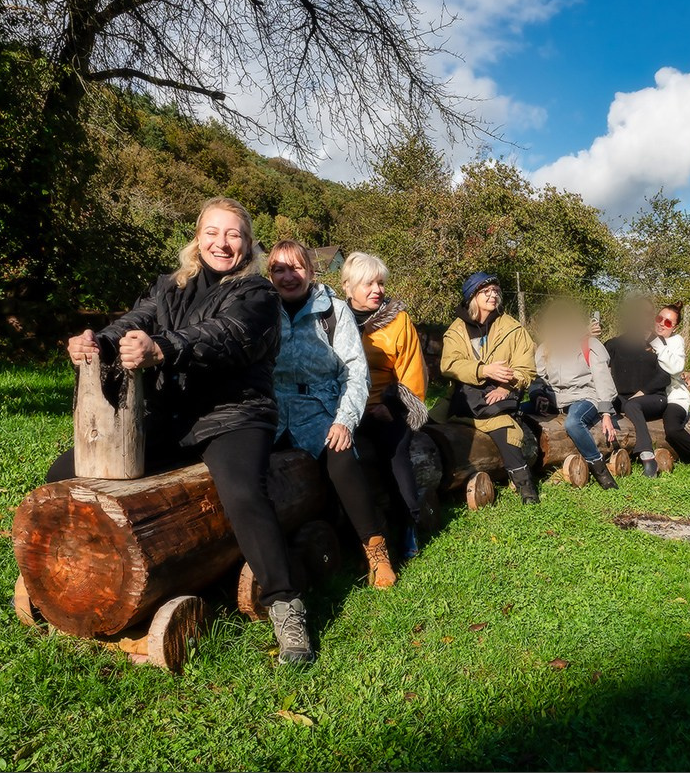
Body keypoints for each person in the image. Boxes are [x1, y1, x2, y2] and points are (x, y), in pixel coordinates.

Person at [49, 197, 313, 665]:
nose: (221, 243)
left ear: (248, 244)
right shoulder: (168, 287)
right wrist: (98, 341)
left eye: (233, 234)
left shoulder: (258, 293)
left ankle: (286, 605)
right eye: (212, 232)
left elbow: (229, 335)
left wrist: (163, 348)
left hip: (235, 415)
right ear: (197, 238)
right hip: (173, 417)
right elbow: (135, 322)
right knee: (66, 470)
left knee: (243, 493)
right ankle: (76, 572)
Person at [268, 239, 397, 590]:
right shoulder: (262, 310)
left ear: (310, 271)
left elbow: (355, 371)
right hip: (274, 409)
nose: (287, 276)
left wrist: (344, 420)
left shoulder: (333, 311)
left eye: (295, 268)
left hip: (321, 406)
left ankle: (375, 546)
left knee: (341, 457)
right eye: (278, 269)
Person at [340, 251, 435, 561]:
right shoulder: (334, 319)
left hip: (387, 404)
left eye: (380, 283)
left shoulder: (398, 321)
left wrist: (391, 405)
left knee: (394, 452)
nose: (377, 290)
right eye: (368, 283)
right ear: (348, 286)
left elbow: (412, 372)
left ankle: (409, 520)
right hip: (345, 406)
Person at [439, 272, 541, 504]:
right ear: (473, 296)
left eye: (496, 291)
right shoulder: (457, 330)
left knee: (506, 432)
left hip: (499, 402)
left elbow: (526, 368)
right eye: (486, 291)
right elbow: (449, 365)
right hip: (463, 399)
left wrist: (505, 387)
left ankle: (526, 488)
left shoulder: (513, 329)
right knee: (426, 430)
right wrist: (484, 370)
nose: (493, 295)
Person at [606, 300, 690, 477]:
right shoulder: (648, 339)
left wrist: (656, 343)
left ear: (675, 327)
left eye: (668, 322)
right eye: (659, 318)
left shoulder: (673, 341)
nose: (662, 323)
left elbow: (675, 368)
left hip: (673, 396)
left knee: (671, 429)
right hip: (655, 395)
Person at [534, 299, 621, 490]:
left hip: (585, 396)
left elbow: (602, 377)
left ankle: (598, 467)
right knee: (521, 411)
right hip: (556, 397)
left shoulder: (588, 345)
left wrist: (606, 412)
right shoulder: (545, 348)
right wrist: (537, 394)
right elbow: (538, 378)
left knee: (573, 423)